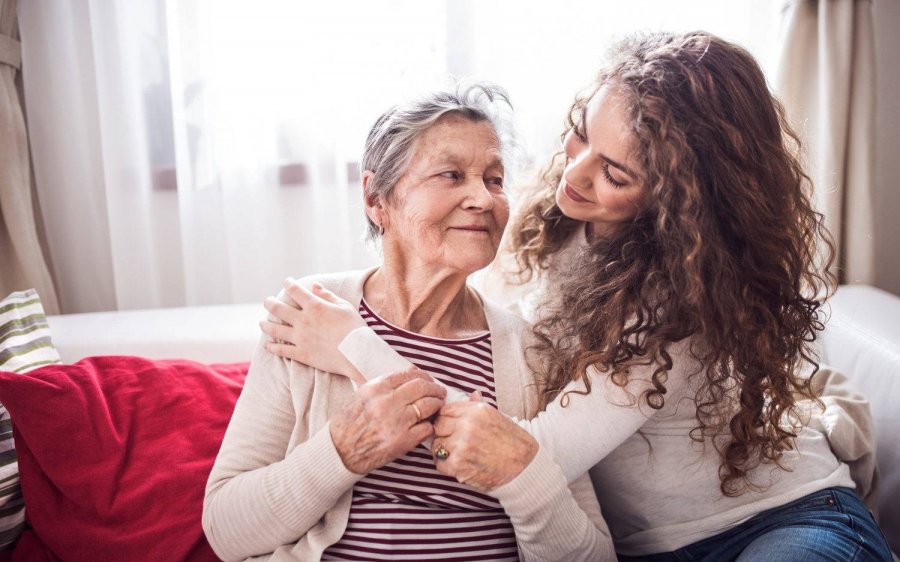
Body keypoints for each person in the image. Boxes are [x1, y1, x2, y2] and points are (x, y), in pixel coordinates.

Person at [261, 32, 892, 560]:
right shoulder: (555, 217)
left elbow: (525, 453)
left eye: (615, 173)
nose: (575, 171)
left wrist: (351, 346)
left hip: (781, 524)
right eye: (581, 132)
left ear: (680, 197)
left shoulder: (681, 292)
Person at [202, 83, 615, 562]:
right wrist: (343, 450)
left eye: (495, 179)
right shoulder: (310, 312)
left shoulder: (532, 353)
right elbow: (226, 530)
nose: (482, 197)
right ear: (378, 199)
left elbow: (593, 556)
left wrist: (520, 472)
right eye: (452, 174)